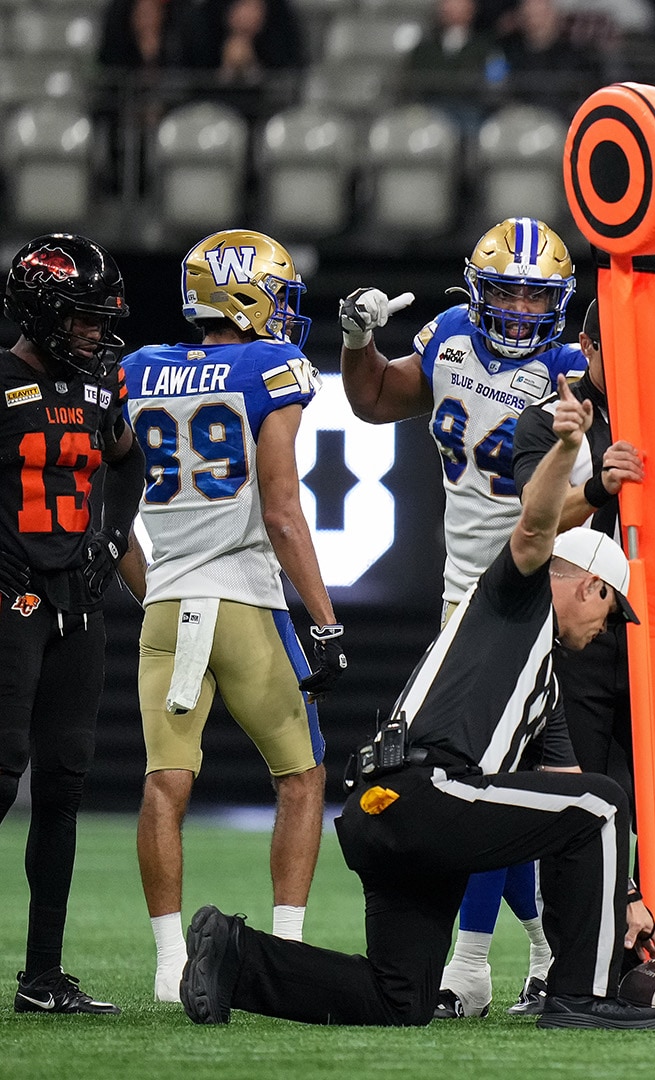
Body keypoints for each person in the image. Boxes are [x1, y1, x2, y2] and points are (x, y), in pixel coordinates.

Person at [178, 380, 655, 1030]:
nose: (606, 632)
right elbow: (534, 526)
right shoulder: (516, 599)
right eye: (612, 613)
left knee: (398, 999)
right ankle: (578, 996)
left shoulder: (540, 679)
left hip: (380, 810)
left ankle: (234, 955)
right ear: (590, 587)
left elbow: (564, 796)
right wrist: (567, 448)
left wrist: (626, 896)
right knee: (608, 802)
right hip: (423, 794)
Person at [337, 217, 584, 1017]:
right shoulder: (445, 337)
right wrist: (355, 344)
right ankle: (536, 954)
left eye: (533, 294)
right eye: (505, 289)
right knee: (488, 785)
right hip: (461, 599)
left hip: (540, 591)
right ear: (474, 291)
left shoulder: (574, 368)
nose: (517, 307)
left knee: (499, 785)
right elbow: (374, 401)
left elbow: (599, 497)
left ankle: (476, 966)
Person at [124, 229, 347, 1004]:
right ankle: (283, 951)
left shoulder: (136, 370)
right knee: (303, 776)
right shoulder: (270, 367)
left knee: (165, 784)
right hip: (246, 603)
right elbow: (283, 513)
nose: (286, 312)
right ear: (248, 295)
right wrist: (322, 618)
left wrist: (152, 591)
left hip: (168, 602)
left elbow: (112, 516)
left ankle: (166, 966)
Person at [511, 298, 655, 1016]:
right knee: (588, 797)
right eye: (622, 351)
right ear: (587, 348)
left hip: (654, 638)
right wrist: (594, 483)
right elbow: (533, 525)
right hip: (576, 640)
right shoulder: (551, 420)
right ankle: (585, 960)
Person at [0, 234, 144, 1015]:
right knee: (1, 775)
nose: (96, 332)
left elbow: (129, 465)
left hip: (78, 605)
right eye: (83, 318)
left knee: (63, 784)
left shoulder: (96, 391)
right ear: (42, 312)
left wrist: (110, 539)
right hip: (10, 600)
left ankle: (43, 978)